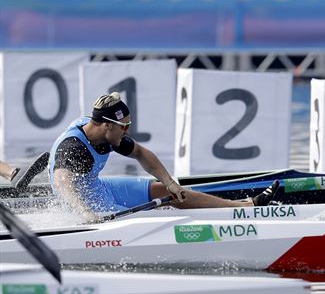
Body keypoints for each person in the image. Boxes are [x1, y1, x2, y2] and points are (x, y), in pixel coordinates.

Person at [49, 92, 278, 221]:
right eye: (125, 126)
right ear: (108, 126)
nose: (128, 131)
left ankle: (243, 207)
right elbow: (62, 182)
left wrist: (170, 183)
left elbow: (141, 153)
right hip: (84, 202)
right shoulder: (73, 147)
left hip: (99, 186)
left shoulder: (104, 133)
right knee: (147, 215)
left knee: (165, 190)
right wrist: (85, 214)